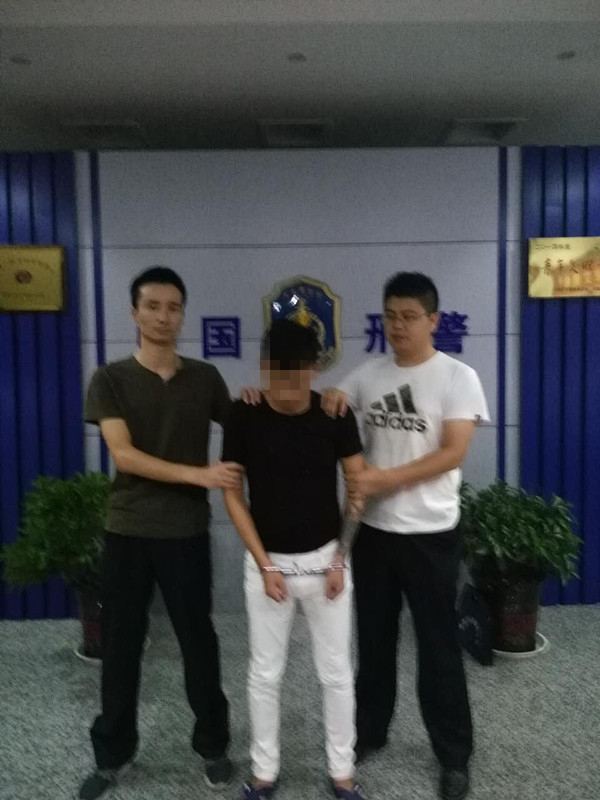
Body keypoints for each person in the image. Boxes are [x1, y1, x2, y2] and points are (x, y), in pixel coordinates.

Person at [322, 272, 490, 800]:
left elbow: (452, 453)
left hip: (430, 534)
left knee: (438, 646)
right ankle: (370, 732)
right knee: (374, 642)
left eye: (410, 317)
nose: (398, 326)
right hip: (374, 534)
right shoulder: (369, 374)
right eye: (391, 316)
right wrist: (329, 394)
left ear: (433, 320)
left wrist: (381, 480)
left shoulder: (457, 377)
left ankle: (453, 755)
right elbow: (332, 400)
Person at [79, 267, 242, 800]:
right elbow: (124, 456)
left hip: (186, 533)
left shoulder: (205, 378)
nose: (163, 317)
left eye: (173, 307)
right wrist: (200, 475)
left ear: (182, 314)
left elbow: (245, 427)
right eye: (152, 306)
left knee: (199, 642)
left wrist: (293, 398)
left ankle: (213, 747)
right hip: (128, 529)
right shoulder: (110, 379)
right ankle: (112, 755)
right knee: (121, 646)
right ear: (135, 312)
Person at [222, 319, 367, 800]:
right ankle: (264, 772)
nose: (284, 388)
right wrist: (264, 565)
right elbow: (232, 494)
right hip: (267, 564)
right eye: (275, 374)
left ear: (314, 369)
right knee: (265, 673)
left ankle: (342, 773)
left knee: (336, 672)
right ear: (264, 367)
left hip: (327, 561)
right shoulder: (243, 414)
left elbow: (357, 487)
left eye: (296, 374)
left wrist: (341, 556)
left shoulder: (334, 414)